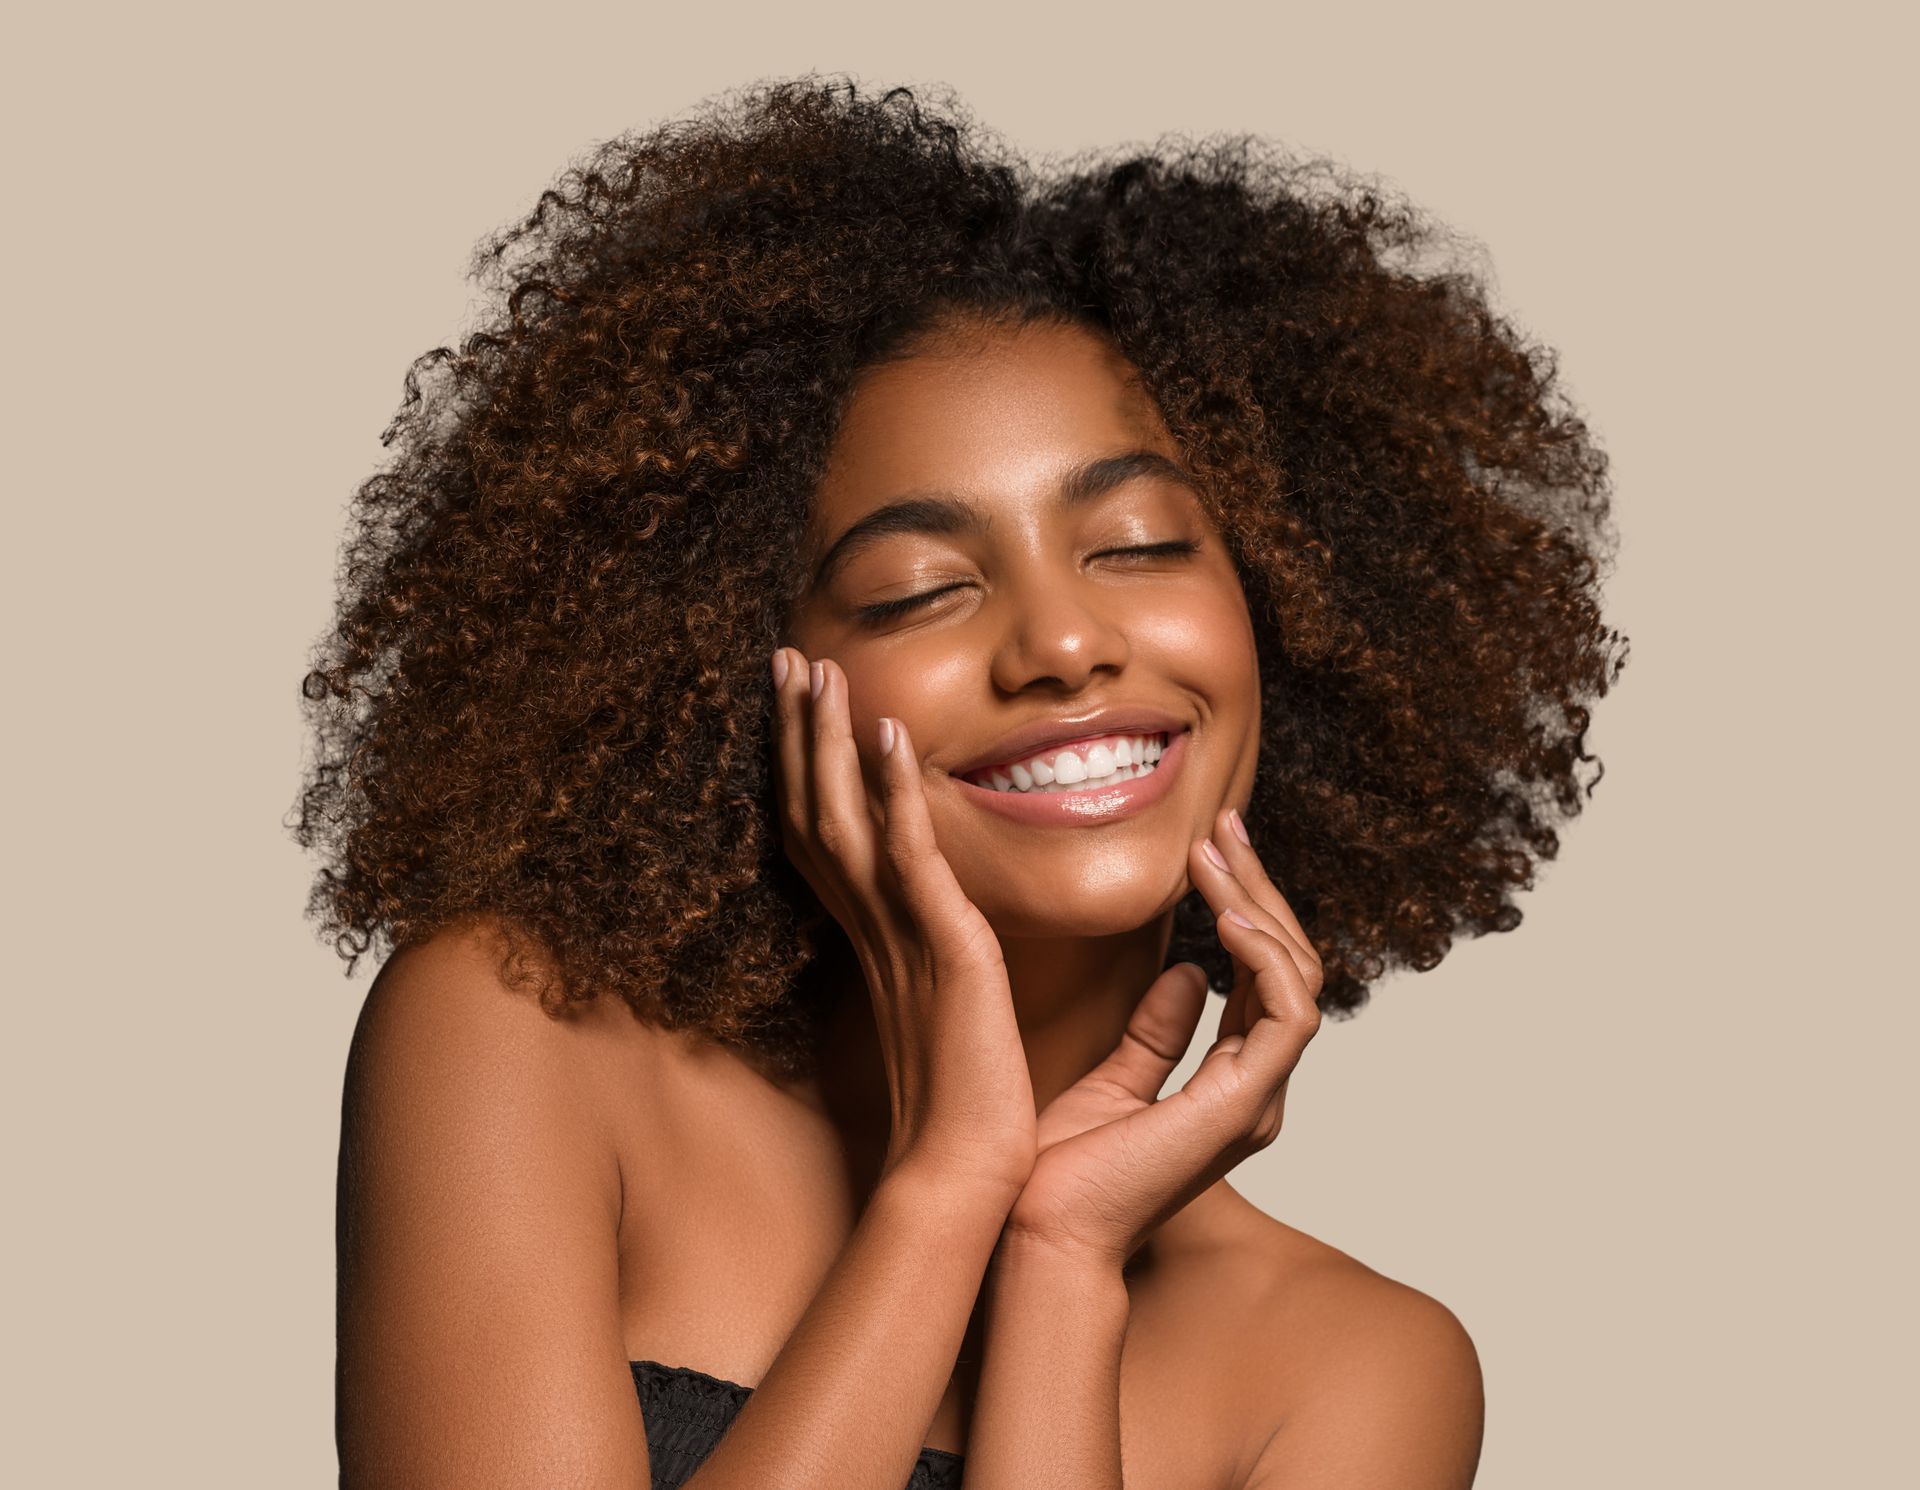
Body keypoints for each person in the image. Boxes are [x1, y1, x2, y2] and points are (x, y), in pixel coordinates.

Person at [299, 75, 1627, 1490]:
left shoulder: (1356, 1371)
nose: (1063, 642)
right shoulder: (519, 1041)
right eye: (922, 587)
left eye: (1137, 545)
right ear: (731, 666)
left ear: (1287, 609)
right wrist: (947, 1189)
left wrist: (1062, 1255)